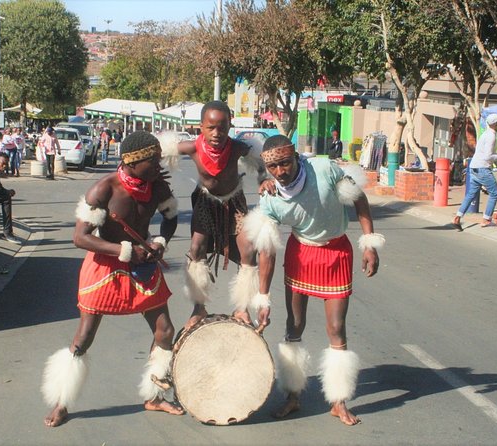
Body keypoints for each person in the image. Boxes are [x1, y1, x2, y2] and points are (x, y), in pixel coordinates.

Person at [41, 131, 183, 428]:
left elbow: (170, 218)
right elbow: (80, 238)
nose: (160, 165)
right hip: (105, 268)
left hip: (143, 265)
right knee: (84, 337)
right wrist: (124, 251)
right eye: (153, 160)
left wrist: (159, 241)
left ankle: (155, 395)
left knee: (165, 330)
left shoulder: (157, 187)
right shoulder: (103, 190)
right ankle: (62, 401)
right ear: (131, 163)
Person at [243, 135, 383, 425]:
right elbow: (267, 252)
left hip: (336, 253)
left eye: (285, 163)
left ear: (296, 157)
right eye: (274, 167)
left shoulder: (324, 169)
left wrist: (368, 243)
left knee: (336, 328)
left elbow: (359, 199)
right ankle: (293, 396)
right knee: (294, 326)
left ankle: (338, 401)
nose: (281, 171)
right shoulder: (270, 198)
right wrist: (263, 297)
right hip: (301, 256)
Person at [162, 100, 267, 328]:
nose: (217, 133)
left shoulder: (238, 147)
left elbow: (260, 162)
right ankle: (198, 308)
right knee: (196, 249)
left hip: (234, 201)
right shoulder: (192, 147)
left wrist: (264, 179)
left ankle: (242, 308)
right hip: (205, 201)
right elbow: (157, 155)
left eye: (222, 127)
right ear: (201, 127)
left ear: (230, 126)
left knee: (248, 250)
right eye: (211, 127)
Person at [452, 113, 497, 230]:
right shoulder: (491, 137)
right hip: (483, 168)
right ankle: (486, 219)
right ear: (495, 124)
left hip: (474, 167)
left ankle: (458, 216)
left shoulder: (487, 134)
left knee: (471, 194)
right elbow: (488, 156)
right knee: (494, 193)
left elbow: (489, 153)